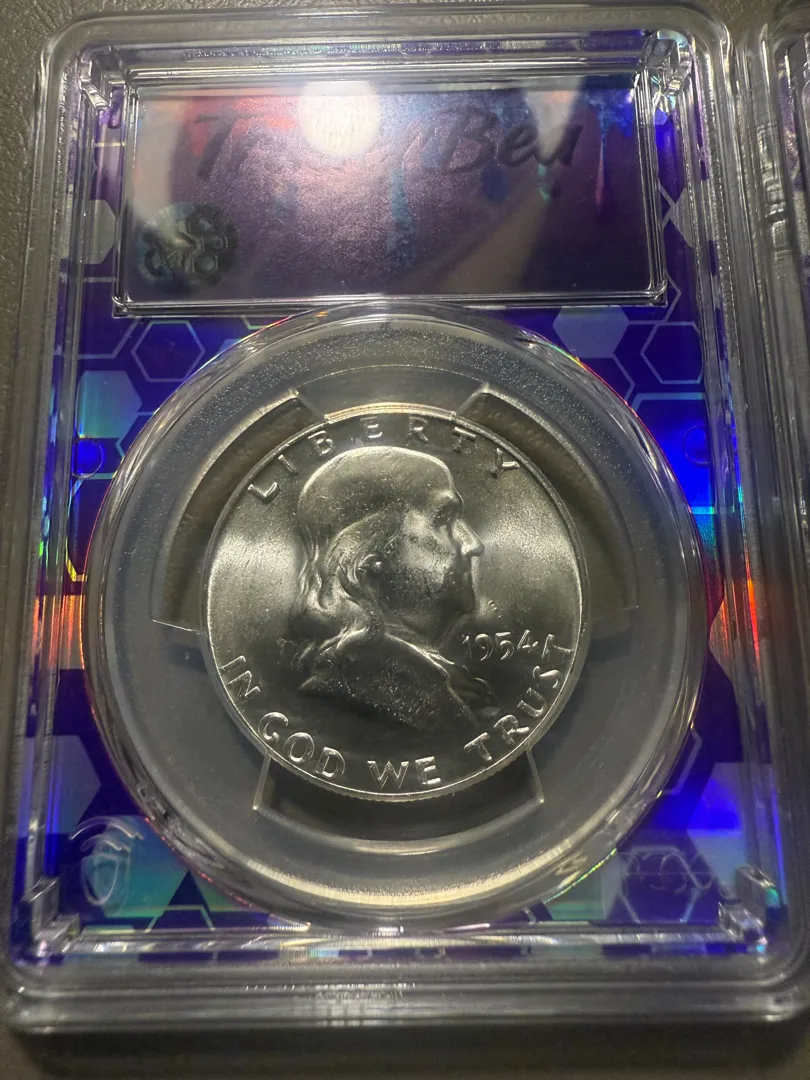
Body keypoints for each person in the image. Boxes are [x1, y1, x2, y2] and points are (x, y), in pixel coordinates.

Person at [291, 445, 495, 734]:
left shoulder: (443, 684)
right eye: (444, 519)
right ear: (370, 558)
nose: (474, 544)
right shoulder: (365, 692)